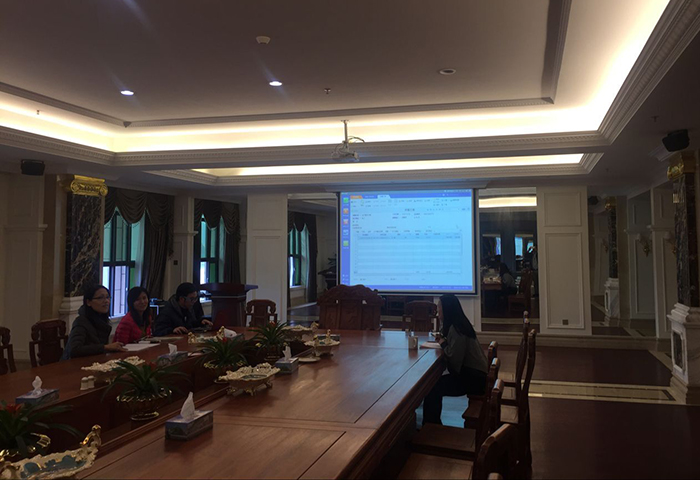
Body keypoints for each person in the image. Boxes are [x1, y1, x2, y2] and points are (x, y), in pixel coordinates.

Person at [423, 294, 488, 425]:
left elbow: (454, 360)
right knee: (433, 384)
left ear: (447, 309)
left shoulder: (457, 329)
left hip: (474, 379)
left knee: (431, 386)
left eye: (439, 307)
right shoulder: (459, 324)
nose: (437, 311)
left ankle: (431, 426)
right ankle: (432, 423)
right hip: (476, 374)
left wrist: (443, 344)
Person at [62, 285, 126, 360]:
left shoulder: (102, 319)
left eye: (108, 297)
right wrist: (105, 347)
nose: (106, 301)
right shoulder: (81, 321)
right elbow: (74, 350)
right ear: (88, 302)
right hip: (76, 364)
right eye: (100, 298)